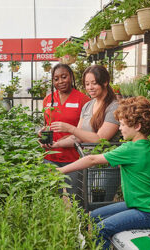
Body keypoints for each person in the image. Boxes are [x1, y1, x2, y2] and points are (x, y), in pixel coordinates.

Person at [56, 96, 150, 250]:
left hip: (145, 212)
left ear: (137, 126)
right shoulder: (149, 146)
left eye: (122, 124)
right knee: (92, 217)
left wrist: (61, 170)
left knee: (101, 228)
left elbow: (92, 159)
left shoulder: (130, 149)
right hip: (143, 206)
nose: (119, 128)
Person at [39, 63, 90, 195]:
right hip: (50, 156)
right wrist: (42, 132)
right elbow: (48, 124)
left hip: (74, 158)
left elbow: (87, 130)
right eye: (56, 79)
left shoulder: (83, 100)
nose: (60, 81)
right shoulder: (48, 100)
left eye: (64, 77)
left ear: (71, 77)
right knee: (52, 197)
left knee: (77, 197)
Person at [49, 64, 120, 148]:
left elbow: (100, 139)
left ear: (105, 82)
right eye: (87, 84)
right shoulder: (88, 106)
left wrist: (70, 128)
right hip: (86, 158)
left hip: (104, 159)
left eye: (94, 83)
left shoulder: (114, 107)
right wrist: (56, 144)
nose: (90, 87)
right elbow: (78, 137)